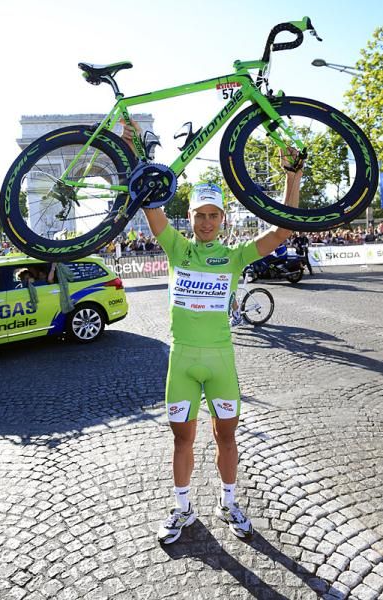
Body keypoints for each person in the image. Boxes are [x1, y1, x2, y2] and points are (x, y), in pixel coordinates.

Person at [123, 123, 303, 543]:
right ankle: (182, 509)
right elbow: (149, 196)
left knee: (227, 438)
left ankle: (228, 502)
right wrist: (131, 148)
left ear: (223, 218)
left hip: (221, 361)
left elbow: (282, 231)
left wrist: (292, 179)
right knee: (182, 441)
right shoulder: (176, 247)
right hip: (182, 362)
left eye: (213, 215)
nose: (205, 222)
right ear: (189, 218)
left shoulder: (233, 255)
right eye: (199, 215)